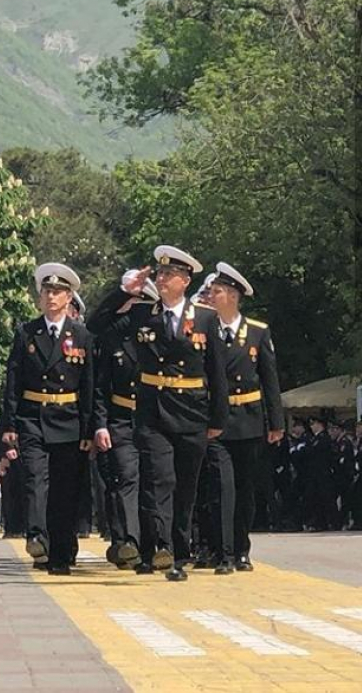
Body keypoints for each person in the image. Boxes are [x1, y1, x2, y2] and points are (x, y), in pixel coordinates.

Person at [87, 246, 228, 581]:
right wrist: (124, 292)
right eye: (160, 274)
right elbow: (95, 324)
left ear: (185, 280)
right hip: (153, 413)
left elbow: (217, 373)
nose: (162, 280)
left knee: (185, 488)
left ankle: (179, 550)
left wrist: (218, 420)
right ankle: (163, 548)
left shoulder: (206, 318)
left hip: (192, 412)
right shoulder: (142, 315)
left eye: (170, 275)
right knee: (158, 480)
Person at [0, 262, 94, 575]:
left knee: (65, 489)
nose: (51, 297)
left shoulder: (81, 335)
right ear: (39, 297)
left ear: (69, 298)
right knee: (36, 480)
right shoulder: (27, 332)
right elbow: (13, 381)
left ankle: (62, 552)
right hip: (33, 418)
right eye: (46, 291)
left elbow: (90, 385)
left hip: (68, 419)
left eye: (58, 292)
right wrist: (10, 424)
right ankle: (37, 535)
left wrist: (89, 427)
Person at [207, 262, 284, 572]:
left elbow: (270, 379)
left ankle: (241, 549)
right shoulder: (205, 330)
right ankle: (224, 553)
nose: (211, 296)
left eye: (217, 292)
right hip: (217, 422)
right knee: (223, 487)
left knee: (245, 488)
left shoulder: (257, 331)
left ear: (233, 296)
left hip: (250, 419)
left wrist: (276, 422)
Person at [92, 278, 159, 569]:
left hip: (155, 419)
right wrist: (101, 423)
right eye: (129, 303)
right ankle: (128, 540)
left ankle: (155, 544)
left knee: (155, 481)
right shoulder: (112, 338)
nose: (133, 310)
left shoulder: (160, 336)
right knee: (127, 477)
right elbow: (100, 386)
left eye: (140, 303)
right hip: (121, 418)